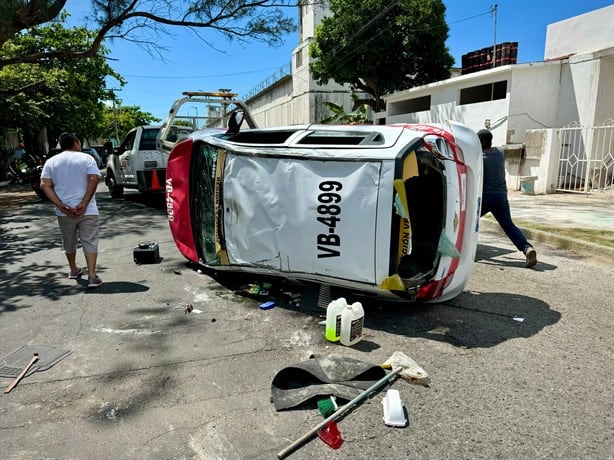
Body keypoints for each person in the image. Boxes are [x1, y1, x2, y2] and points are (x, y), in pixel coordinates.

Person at [40, 133, 103, 287]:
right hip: (88, 210)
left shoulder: (51, 162)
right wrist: (84, 203)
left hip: (64, 212)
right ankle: (92, 276)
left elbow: (44, 185)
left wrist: (61, 205)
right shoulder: (87, 159)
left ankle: (73, 269)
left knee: (69, 241)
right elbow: (94, 180)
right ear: (76, 143)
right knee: (90, 241)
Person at [477, 129, 537, 268]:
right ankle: (527, 248)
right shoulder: (500, 152)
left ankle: (459, 251)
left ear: (483, 142)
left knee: (468, 223)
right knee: (509, 226)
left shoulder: (480, 157)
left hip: (486, 197)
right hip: (501, 197)